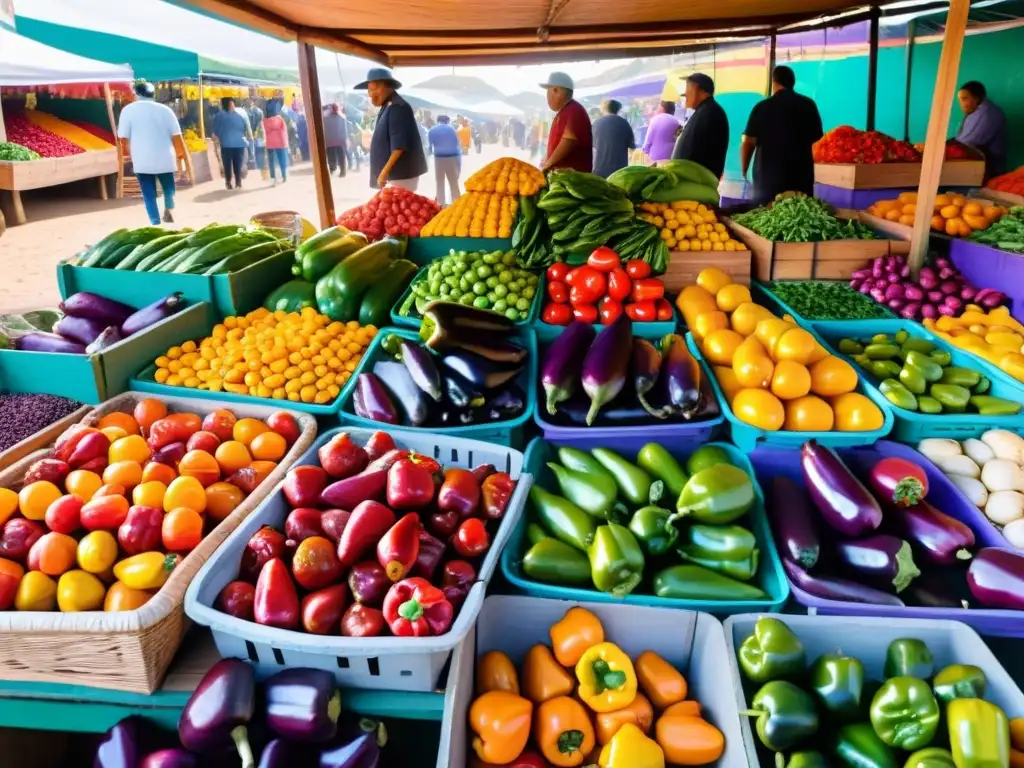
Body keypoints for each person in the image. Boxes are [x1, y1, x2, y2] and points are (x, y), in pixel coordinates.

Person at [740, 66, 824, 204]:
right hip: (801, 176)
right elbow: (818, 142)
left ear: (774, 82)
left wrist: (744, 169)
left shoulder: (762, 107)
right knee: (799, 215)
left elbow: (749, 142)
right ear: (793, 83)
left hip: (768, 179)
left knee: (766, 217)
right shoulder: (809, 105)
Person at [117, 81, 182, 225]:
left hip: (142, 159)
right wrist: (181, 155)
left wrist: (127, 154)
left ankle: (155, 223)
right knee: (168, 189)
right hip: (166, 158)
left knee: (148, 195)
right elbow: (177, 136)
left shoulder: (128, 111)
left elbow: (123, 138)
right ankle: (169, 209)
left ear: (136, 94)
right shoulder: (166, 110)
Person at [356, 67, 427, 190]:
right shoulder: (387, 106)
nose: (370, 94)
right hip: (394, 176)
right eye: (369, 90)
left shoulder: (398, 107)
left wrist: (384, 173)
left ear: (385, 86)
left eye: (374, 89)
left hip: (400, 175)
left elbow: (399, 146)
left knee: (400, 207)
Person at [671, 73, 729, 181]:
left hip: (698, 181)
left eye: (689, 90)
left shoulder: (709, 113)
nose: (685, 94)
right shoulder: (705, 111)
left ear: (702, 92)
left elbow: (692, 150)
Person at [540, 72, 593, 173]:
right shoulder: (564, 112)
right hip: (562, 177)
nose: (547, 97)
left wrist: (547, 165)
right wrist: (547, 158)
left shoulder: (574, 110)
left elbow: (569, 140)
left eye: (548, 91)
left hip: (573, 180)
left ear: (556, 90)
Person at [957, 80, 1008, 181]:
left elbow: (967, 143)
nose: (962, 104)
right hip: (979, 166)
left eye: (965, 99)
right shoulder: (976, 112)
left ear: (977, 98)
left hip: (990, 170)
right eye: (960, 100)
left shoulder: (987, 113)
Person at [211, 97, 251, 190]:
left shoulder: (219, 116)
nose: (233, 106)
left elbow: (215, 132)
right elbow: (243, 129)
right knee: (237, 164)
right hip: (236, 144)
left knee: (228, 164)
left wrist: (218, 138)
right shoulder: (238, 116)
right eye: (232, 104)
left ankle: (231, 182)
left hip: (228, 144)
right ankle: (237, 182)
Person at [592, 99, 635, 178]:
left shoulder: (596, 124)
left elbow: (593, 146)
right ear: (618, 109)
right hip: (619, 170)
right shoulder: (624, 123)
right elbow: (632, 146)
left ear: (603, 109)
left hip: (599, 169)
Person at [428, 115, 462, 206]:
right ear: (447, 121)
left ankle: (440, 204)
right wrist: (459, 166)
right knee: (453, 182)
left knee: (439, 181)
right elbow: (457, 145)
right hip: (452, 158)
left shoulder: (432, 130)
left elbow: (429, 148)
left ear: (437, 120)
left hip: (439, 159)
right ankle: (457, 203)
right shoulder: (452, 130)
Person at [264, 102, 289, 186]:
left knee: (271, 162)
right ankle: (284, 176)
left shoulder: (265, 121)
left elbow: (266, 131)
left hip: (270, 143)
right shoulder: (280, 119)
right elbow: (284, 130)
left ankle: (273, 178)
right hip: (280, 142)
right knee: (282, 159)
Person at [323, 103, 348, 177]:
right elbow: (345, 130)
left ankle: (332, 169)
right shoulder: (342, 117)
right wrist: (346, 139)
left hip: (330, 141)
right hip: (340, 141)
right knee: (341, 157)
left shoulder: (325, 117)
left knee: (332, 156)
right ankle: (342, 171)